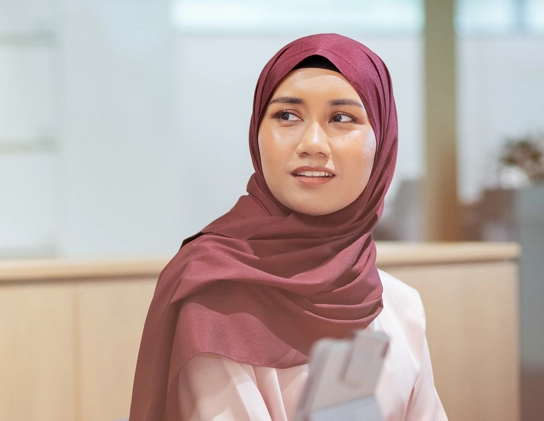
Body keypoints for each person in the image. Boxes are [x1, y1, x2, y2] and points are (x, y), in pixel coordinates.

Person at [129, 34, 447, 421]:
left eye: (342, 118)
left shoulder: (401, 306)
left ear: (382, 143)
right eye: (287, 116)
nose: (312, 143)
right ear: (256, 133)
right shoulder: (214, 294)